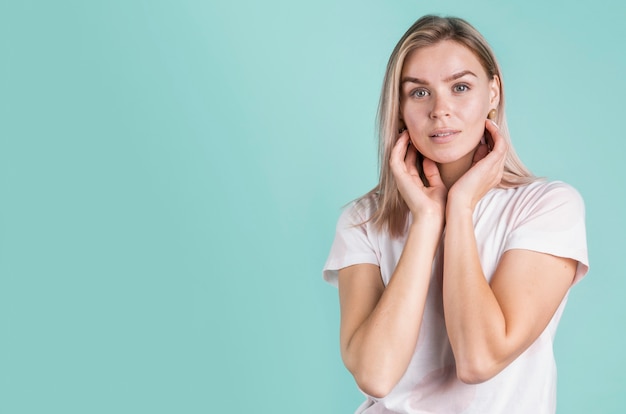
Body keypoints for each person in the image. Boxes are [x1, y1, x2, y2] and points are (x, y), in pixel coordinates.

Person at [323, 15, 588, 414]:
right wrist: (427, 221)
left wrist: (460, 208)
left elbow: (479, 359)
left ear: (493, 93)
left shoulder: (546, 207)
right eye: (419, 93)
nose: (440, 110)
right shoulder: (363, 220)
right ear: (399, 108)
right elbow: (375, 375)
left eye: (460, 87)